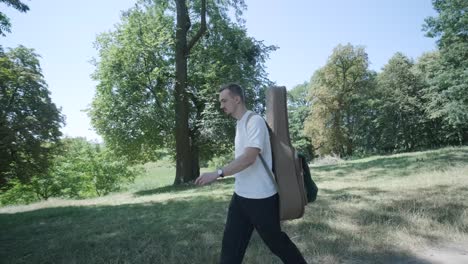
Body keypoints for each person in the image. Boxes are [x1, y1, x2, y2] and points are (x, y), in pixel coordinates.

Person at [195, 83, 307, 264]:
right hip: (241, 197)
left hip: (261, 199)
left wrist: (218, 173)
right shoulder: (240, 124)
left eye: (224, 100)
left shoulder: (254, 121)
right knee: (231, 248)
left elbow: (249, 158)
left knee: (277, 243)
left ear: (237, 99)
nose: (221, 105)